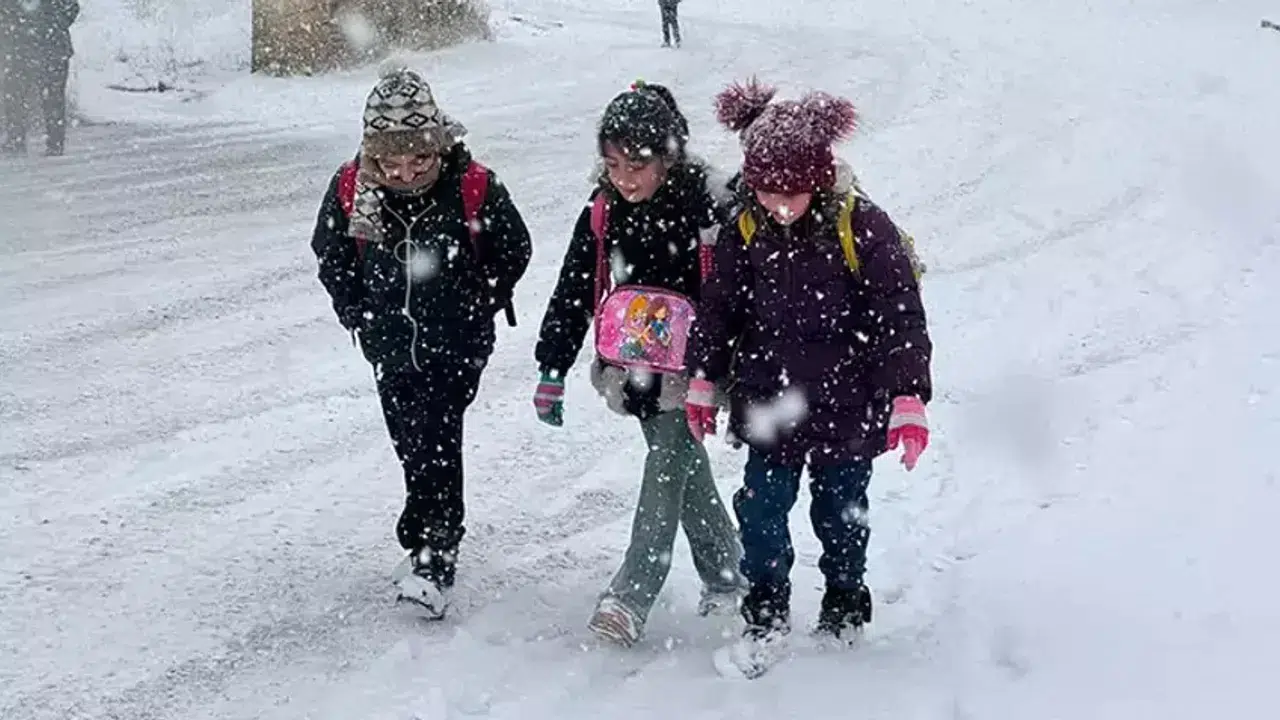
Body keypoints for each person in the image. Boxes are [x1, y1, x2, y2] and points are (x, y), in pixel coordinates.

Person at [687, 77, 933, 673]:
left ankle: (844, 601)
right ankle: (766, 608)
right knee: (760, 513)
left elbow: (899, 314)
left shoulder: (862, 227)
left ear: (818, 180)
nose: (779, 205)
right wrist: (703, 378)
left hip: (847, 405)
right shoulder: (745, 227)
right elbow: (720, 308)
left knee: (840, 513)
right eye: (767, 191)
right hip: (768, 402)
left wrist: (907, 395)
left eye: (792, 193)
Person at [310, 64, 532, 620]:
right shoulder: (355, 188)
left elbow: (516, 248)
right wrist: (355, 309)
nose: (405, 173)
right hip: (388, 342)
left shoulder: (472, 184)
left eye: (418, 160)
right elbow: (330, 254)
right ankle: (422, 534)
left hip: (455, 342)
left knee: (436, 434)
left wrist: (480, 298)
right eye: (391, 162)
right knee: (409, 439)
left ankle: (436, 553)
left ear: (437, 146)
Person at [533, 81, 744, 646]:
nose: (624, 179)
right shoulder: (604, 209)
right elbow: (574, 286)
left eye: (637, 165)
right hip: (634, 366)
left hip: (694, 365)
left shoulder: (707, 204)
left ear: (668, 158)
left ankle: (631, 594)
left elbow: (740, 285)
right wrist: (552, 365)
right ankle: (728, 574)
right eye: (613, 165)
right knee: (680, 463)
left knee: (668, 460)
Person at [0, 0, 79, 156]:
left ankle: (54, 142)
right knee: (15, 96)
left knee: (53, 98)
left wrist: (52, 24)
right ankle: (16, 138)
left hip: (50, 49)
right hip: (21, 49)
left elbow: (71, 8)